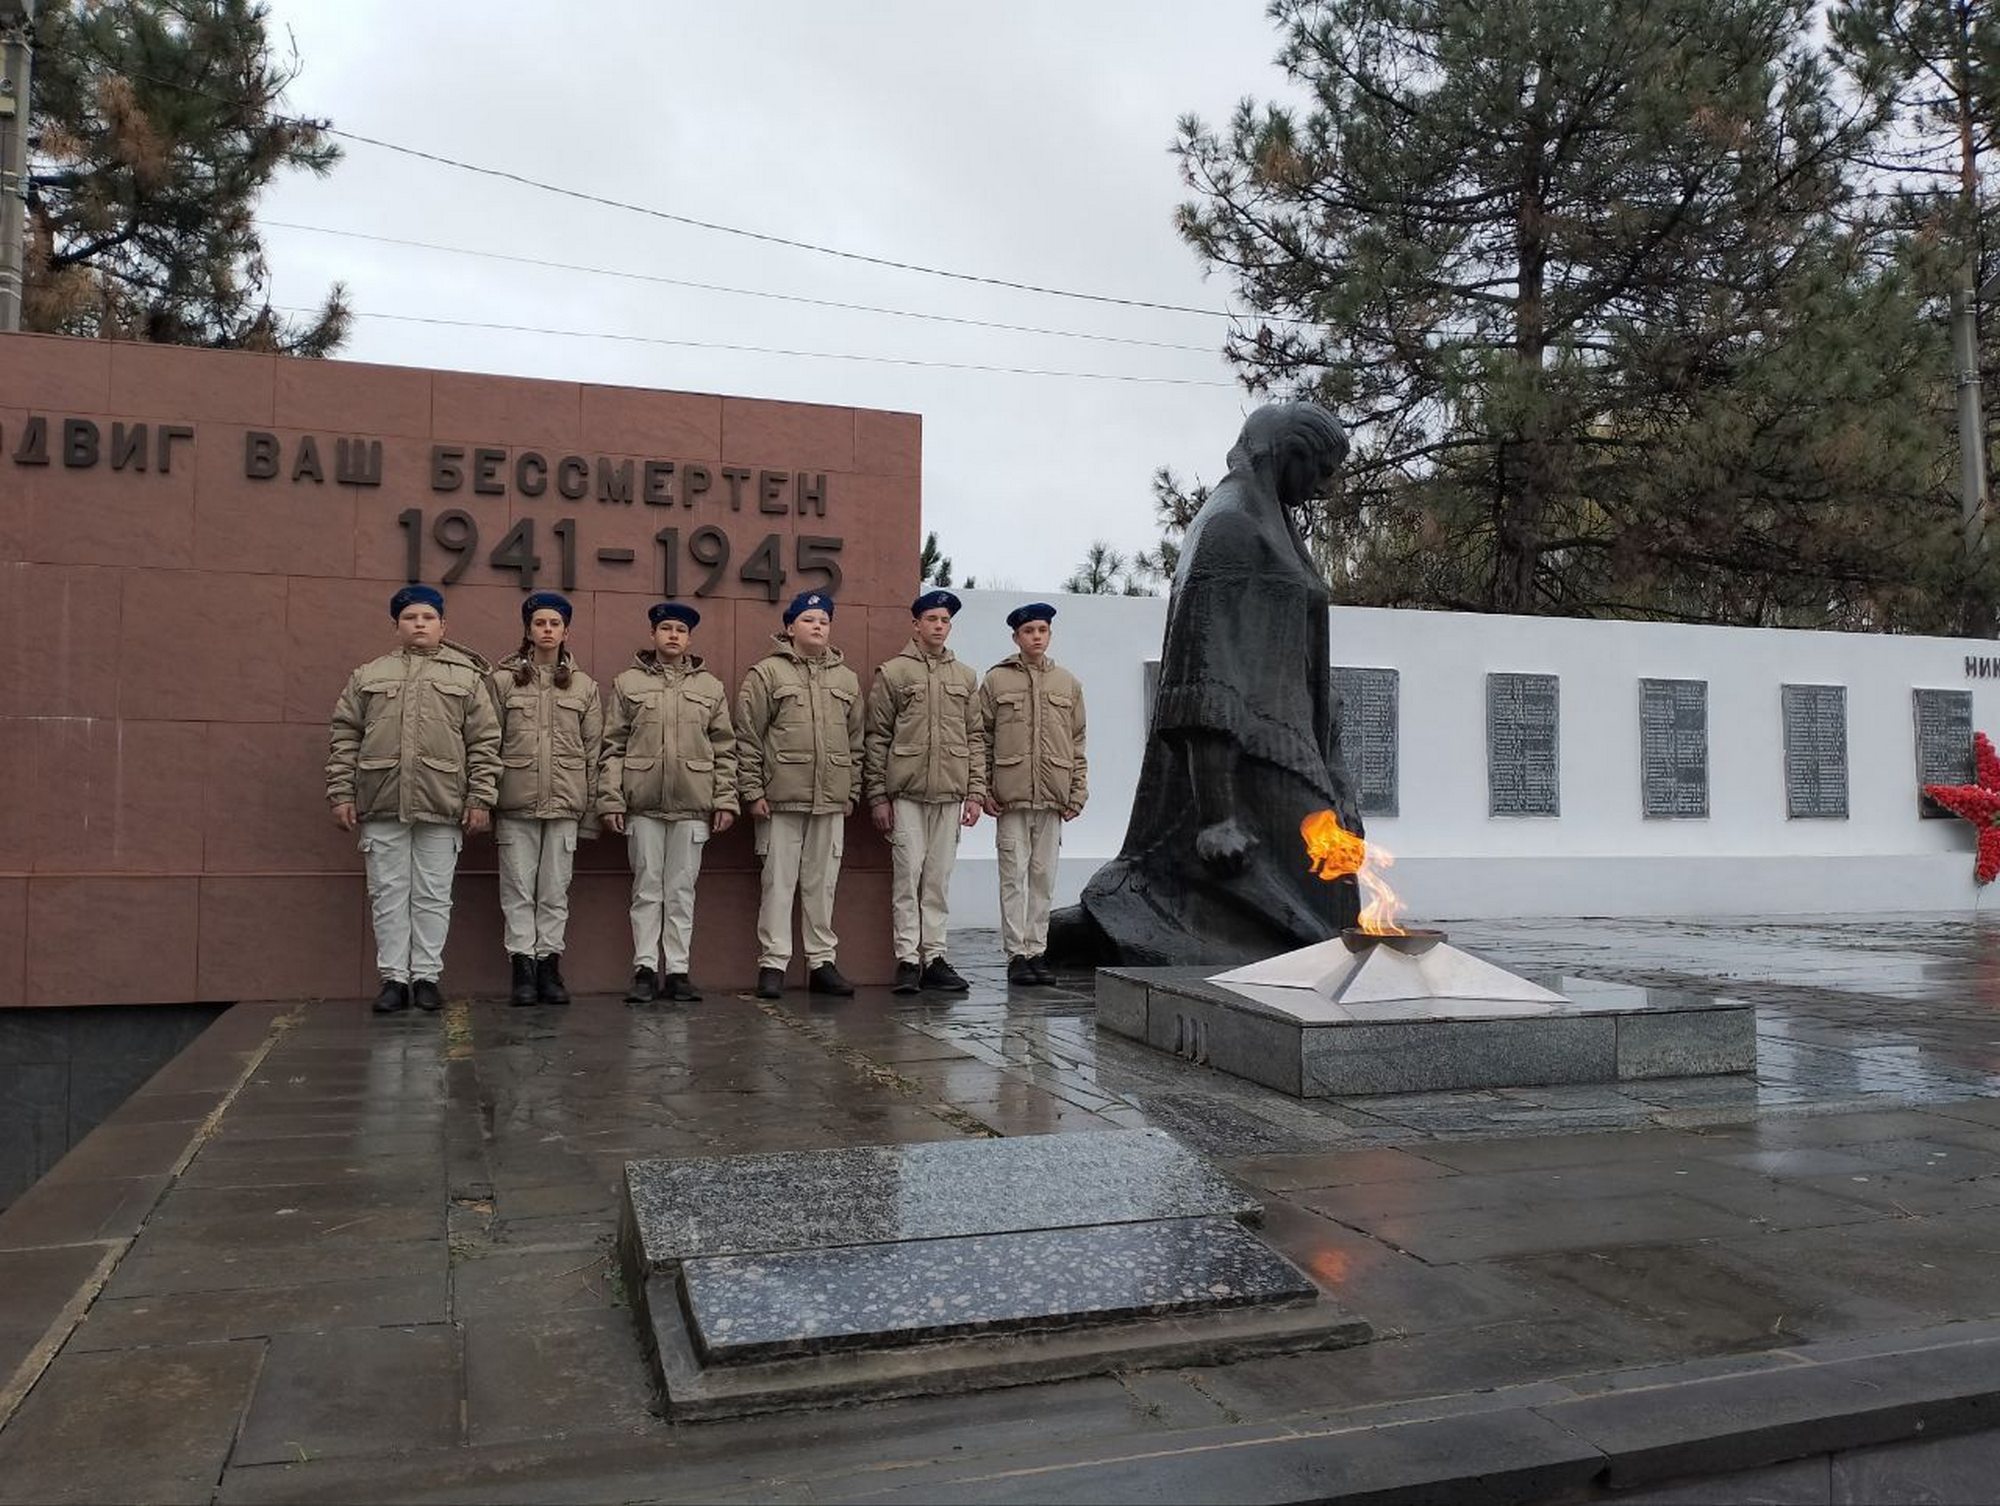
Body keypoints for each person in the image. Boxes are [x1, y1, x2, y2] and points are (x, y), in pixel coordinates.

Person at [1070, 401, 1363, 966]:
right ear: (1288, 453)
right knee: (1324, 917)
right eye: (1322, 470)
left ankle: (1107, 925)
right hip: (1246, 759)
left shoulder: (1277, 528)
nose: (1326, 489)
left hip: (1295, 747)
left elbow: (1310, 669)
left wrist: (1339, 773)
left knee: (1339, 895)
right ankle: (1113, 921)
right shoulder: (1229, 525)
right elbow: (1201, 672)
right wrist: (1217, 817)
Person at [326, 584, 501, 1015]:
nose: (419, 624)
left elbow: (484, 742)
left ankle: (426, 977)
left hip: (442, 804)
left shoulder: (467, 677)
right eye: (410, 618)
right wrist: (341, 793)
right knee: (387, 893)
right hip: (382, 800)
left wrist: (480, 797)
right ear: (396, 626)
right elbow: (345, 736)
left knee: (433, 894)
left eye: (427, 618)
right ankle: (393, 980)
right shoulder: (369, 675)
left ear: (444, 625)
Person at [598, 602, 737, 1004]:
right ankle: (644, 968)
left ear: (689, 638)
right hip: (643, 805)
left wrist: (724, 799)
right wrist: (611, 799)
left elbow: (725, 748)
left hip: (693, 805)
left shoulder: (709, 688)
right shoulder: (627, 683)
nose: (673, 635)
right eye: (665, 628)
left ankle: (677, 970)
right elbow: (613, 747)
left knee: (681, 891)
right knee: (646, 889)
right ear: (653, 635)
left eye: (680, 630)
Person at [736, 590, 864, 1000]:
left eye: (824, 621)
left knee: (822, 884)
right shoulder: (766, 674)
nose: (818, 626)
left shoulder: (846, 679)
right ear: (790, 627)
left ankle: (821, 962)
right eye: (809, 620)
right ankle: (773, 964)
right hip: (781, 799)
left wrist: (852, 790)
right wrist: (752, 790)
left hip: (830, 801)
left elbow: (857, 742)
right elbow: (748, 736)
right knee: (778, 883)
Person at [865, 589, 984, 994]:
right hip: (908, 794)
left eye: (945, 620)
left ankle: (934, 956)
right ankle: (906, 960)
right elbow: (877, 737)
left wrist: (975, 793)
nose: (938, 626)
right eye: (931, 619)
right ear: (915, 624)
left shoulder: (965, 677)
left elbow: (975, 737)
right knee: (906, 877)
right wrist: (878, 795)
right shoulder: (894, 673)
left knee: (937, 881)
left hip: (950, 793)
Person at [488, 591, 602, 1008]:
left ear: (566, 631)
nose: (548, 630)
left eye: (555, 624)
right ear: (528, 630)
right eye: (540, 623)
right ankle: (522, 967)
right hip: (516, 803)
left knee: (555, 890)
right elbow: (487, 744)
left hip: (565, 805)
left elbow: (594, 754)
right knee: (517, 889)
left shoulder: (585, 687)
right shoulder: (502, 683)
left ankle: (549, 966)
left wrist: (589, 815)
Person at [977, 603, 1087, 985]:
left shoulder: (1067, 683)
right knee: (1013, 878)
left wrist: (1077, 792)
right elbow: (982, 738)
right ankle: (1016, 955)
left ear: (1050, 635)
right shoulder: (996, 681)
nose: (1036, 636)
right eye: (1029, 631)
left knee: (1043, 878)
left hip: (1052, 797)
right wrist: (983, 786)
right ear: (1016, 637)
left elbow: (1077, 742)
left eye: (1042, 630)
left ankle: (1038, 951)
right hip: (1010, 796)